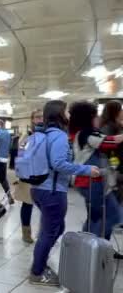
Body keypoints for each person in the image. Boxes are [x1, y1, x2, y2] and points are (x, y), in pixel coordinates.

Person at [28, 100, 100, 287]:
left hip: (38, 189)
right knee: (50, 231)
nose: (69, 115)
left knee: (54, 228)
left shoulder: (41, 133)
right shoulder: (59, 136)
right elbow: (58, 163)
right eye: (66, 111)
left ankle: (39, 263)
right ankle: (37, 272)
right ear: (59, 114)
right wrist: (86, 169)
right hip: (52, 191)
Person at [69, 101, 123, 240]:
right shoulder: (87, 134)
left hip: (94, 181)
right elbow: (109, 142)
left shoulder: (85, 133)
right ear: (88, 117)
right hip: (91, 181)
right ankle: (91, 247)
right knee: (105, 217)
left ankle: (91, 247)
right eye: (95, 115)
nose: (98, 117)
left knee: (102, 216)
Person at [13, 109, 43, 244]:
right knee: (27, 204)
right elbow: (21, 155)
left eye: (42, 117)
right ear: (32, 120)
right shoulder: (27, 136)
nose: (40, 120)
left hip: (45, 176)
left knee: (46, 207)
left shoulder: (49, 135)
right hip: (29, 177)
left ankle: (44, 233)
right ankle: (26, 233)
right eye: (37, 117)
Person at [100, 100, 123, 207]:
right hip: (114, 165)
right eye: (120, 109)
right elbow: (108, 148)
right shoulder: (108, 127)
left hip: (116, 165)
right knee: (115, 194)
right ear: (115, 111)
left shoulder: (115, 125)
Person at [0, 120, 14, 204]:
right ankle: (9, 196)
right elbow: (10, 146)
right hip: (4, 159)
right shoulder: (8, 134)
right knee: (3, 179)